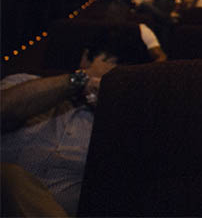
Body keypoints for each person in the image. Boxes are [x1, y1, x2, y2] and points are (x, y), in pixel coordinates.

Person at [1, 27, 141, 216]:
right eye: (111, 63)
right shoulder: (24, 82)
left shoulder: (115, 121)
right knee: (11, 176)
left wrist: (112, 108)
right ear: (86, 58)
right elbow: (4, 108)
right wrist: (80, 81)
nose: (111, 77)